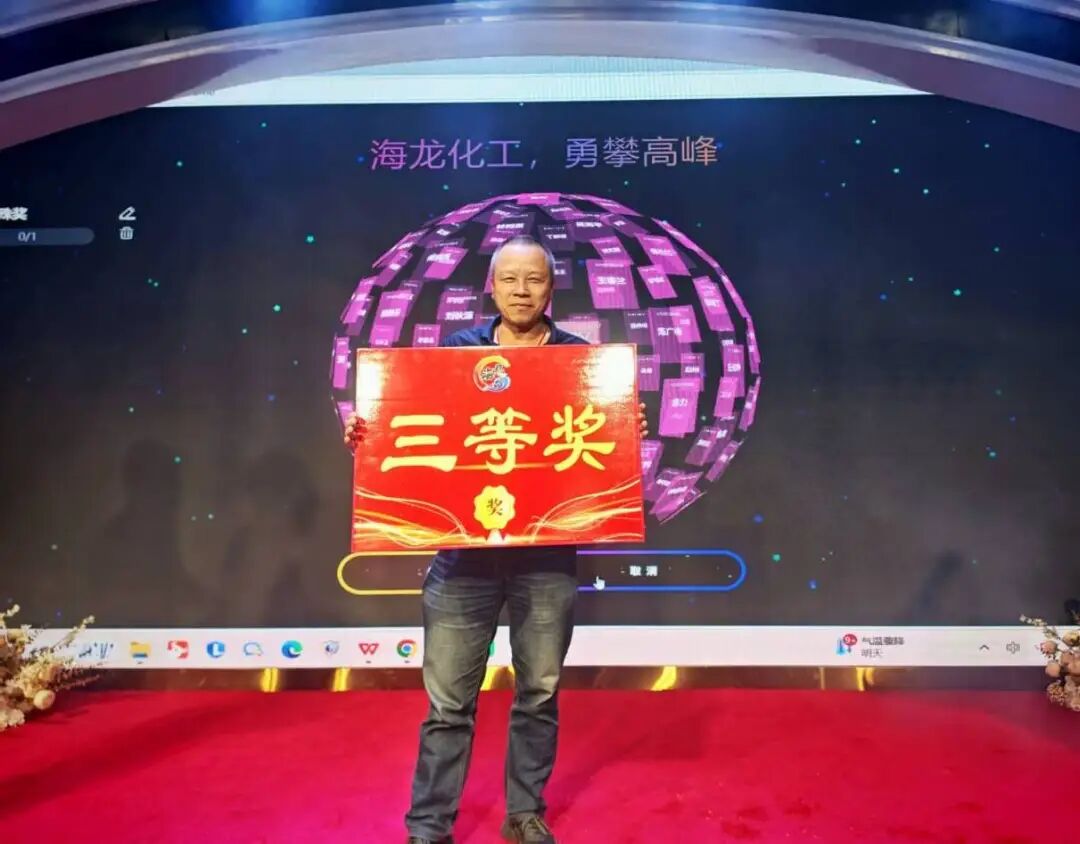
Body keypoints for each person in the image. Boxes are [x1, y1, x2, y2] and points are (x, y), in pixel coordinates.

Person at [345, 235, 647, 844]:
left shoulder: (579, 360)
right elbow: (415, 427)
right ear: (491, 287)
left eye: (533, 279)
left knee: (539, 692)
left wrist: (623, 424)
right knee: (448, 705)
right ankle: (429, 826)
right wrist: (369, 433)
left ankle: (523, 813)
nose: (521, 290)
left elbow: (591, 454)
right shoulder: (454, 355)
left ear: (551, 288)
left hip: (546, 559)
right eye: (509, 279)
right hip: (463, 561)